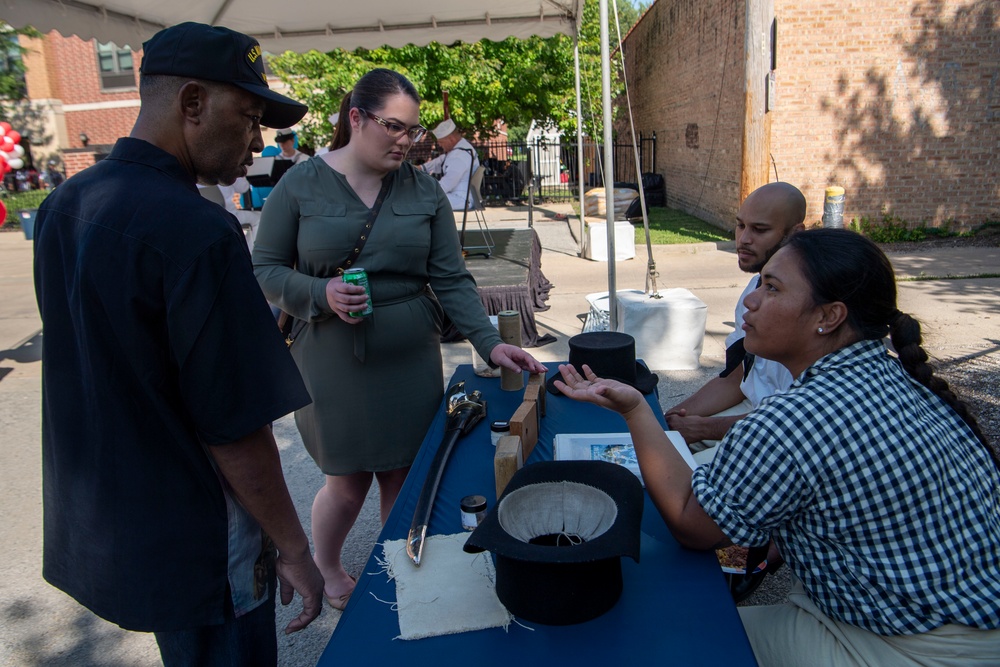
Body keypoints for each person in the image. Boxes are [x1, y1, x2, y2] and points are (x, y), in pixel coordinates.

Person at [554, 228, 1000, 666]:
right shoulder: (895, 378)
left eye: (771, 288)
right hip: (968, 612)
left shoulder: (791, 422)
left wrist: (636, 411)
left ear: (830, 316)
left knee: (667, 638)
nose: (750, 300)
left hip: (912, 643)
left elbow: (695, 527)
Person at [33, 22, 325, 665]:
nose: (256, 140)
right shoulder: (200, 231)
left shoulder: (64, 204)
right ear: (191, 102)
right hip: (200, 534)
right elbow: (236, 428)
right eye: (248, 117)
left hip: (122, 521)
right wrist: (295, 550)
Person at [253, 68, 546, 610]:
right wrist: (321, 292)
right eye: (394, 127)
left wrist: (489, 343)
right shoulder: (300, 183)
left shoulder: (422, 189)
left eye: (413, 131)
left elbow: (451, 278)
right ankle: (327, 564)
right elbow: (265, 268)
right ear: (356, 118)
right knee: (345, 481)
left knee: (404, 478)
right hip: (331, 359)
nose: (406, 141)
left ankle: (399, 567)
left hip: (409, 359)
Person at [666, 182, 805, 463]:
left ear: (795, 233)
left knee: (676, 477)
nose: (743, 239)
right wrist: (669, 419)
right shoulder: (752, 289)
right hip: (754, 409)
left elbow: (795, 421)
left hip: (783, 432)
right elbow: (736, 377)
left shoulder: (807, 305)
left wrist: (705, 428)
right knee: (659, 443)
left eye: (760, 229)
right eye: (740, 225)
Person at [419, 117, 480, 212]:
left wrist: (424, 192)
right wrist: (422, 167)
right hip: (458, 197)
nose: (439, 145)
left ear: (451, 139)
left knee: (421, 201)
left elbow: (446, 185)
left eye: (441, 142)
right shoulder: (462, 149)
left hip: (460, 199)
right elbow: (441, 161)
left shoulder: (460, 156)